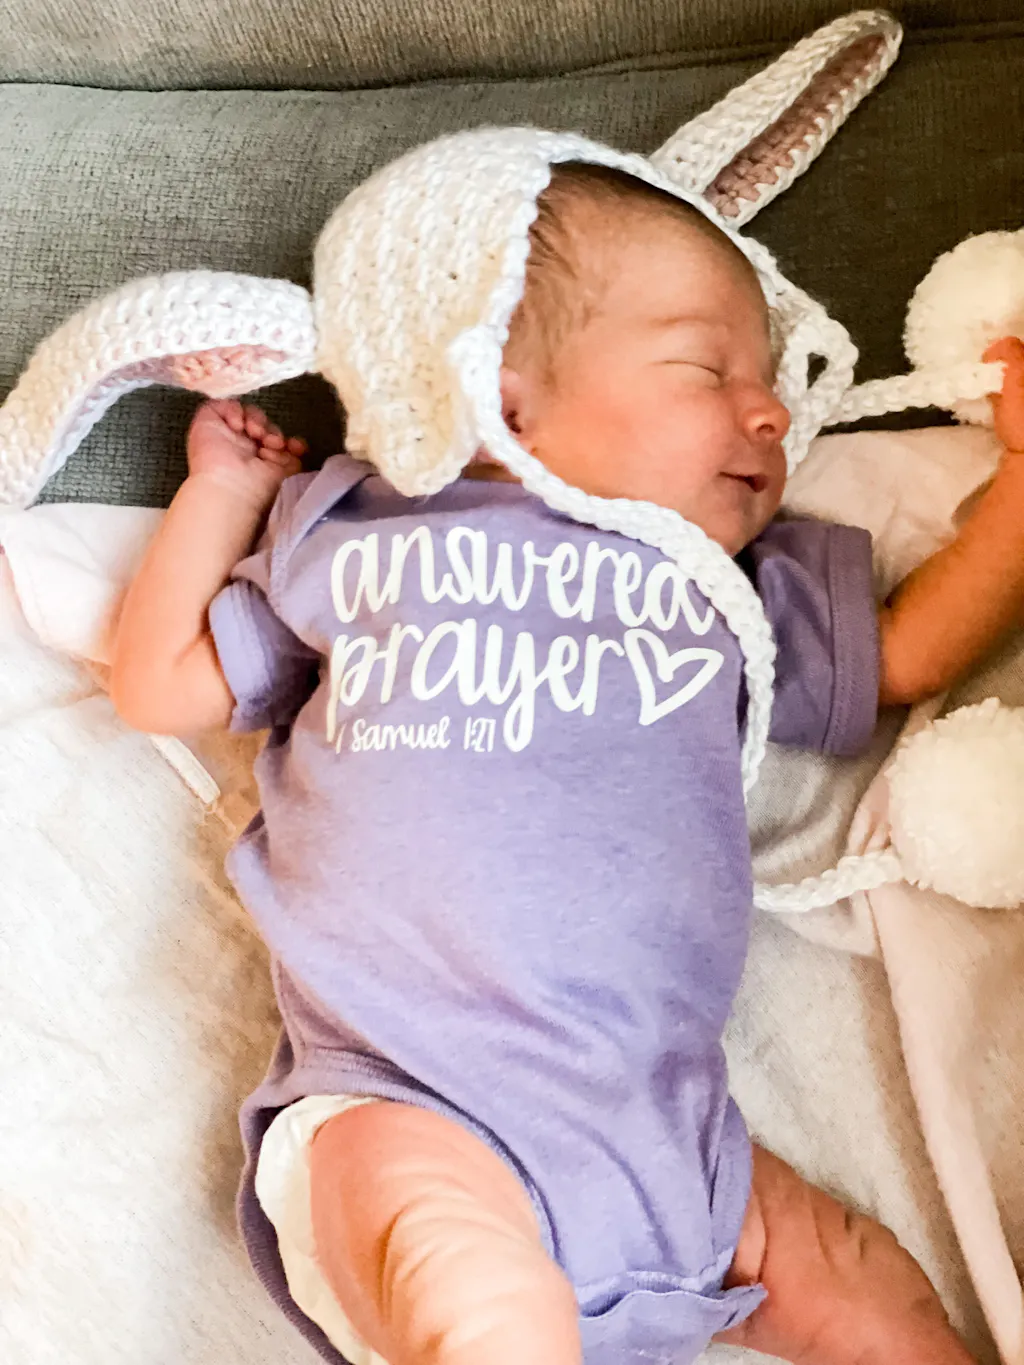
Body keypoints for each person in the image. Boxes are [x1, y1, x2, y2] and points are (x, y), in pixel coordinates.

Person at [109, 159, 1024, 1365]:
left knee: (858, 1279)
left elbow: (904, 654)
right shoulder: (356, 533)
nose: (768, 413)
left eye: (767, 380)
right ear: (499, 395)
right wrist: (223, 496)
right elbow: (157, 683)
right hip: (411, 1097)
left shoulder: (726, 591)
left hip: (669, 1136)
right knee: (465, 1286)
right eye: (708, 369)